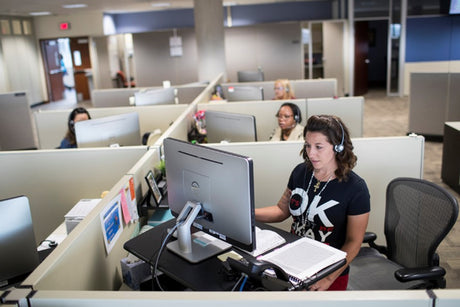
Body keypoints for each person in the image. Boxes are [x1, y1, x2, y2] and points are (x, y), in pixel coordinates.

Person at [256, 114, 370, 291]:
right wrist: (247, 213)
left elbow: (354, 242)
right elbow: (281, 210)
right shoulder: (301, 172)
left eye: (319, 147)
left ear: (338, 148)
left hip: (328, 270)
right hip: (292, 259)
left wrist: (328, 278)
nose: (311, 153)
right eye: (308, 146)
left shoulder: (356, 188)